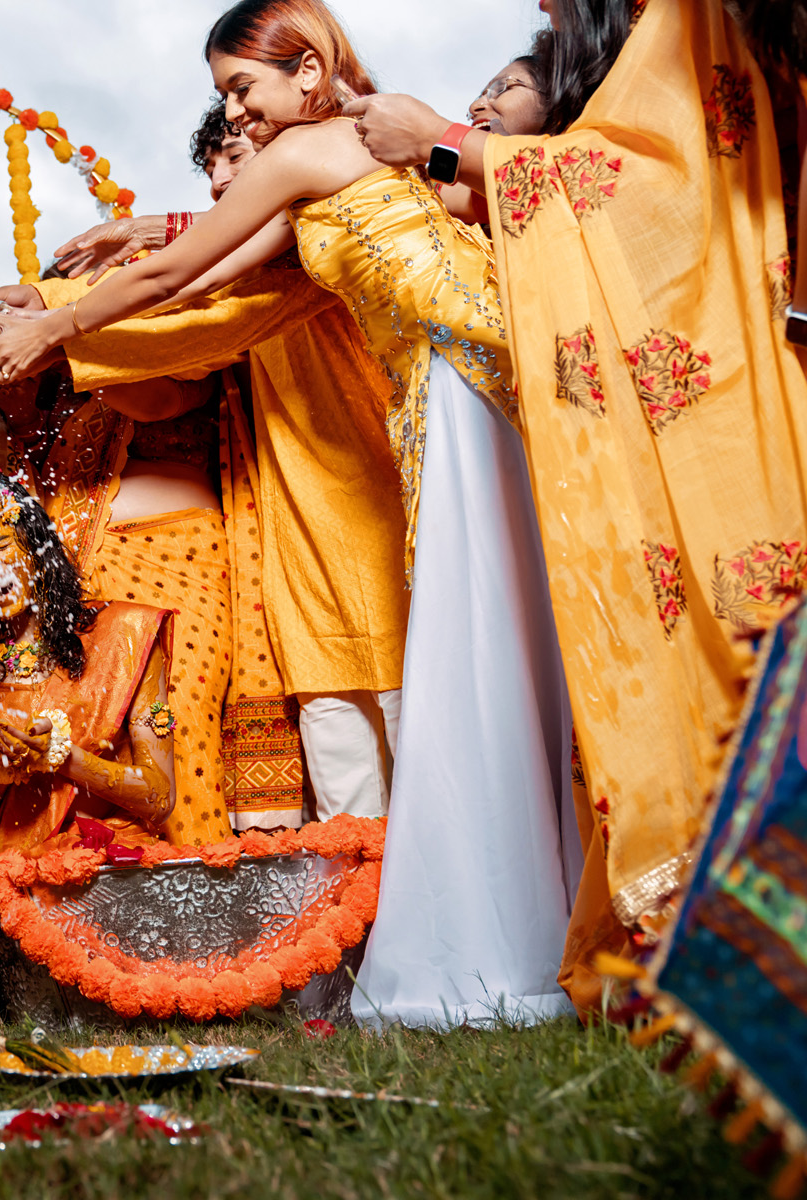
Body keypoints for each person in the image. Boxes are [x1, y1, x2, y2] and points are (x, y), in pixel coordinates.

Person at [0, 0, 577, 1028]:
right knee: (503, 650)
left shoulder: (314, 143)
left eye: (242, 88)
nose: (238, 112)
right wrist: (71, 307)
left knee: (484, 643)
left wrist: (55, 330)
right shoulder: (367, 134)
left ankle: (508, 936)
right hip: (466, 383)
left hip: (463, 381)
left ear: (305, 70)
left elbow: (183, 271)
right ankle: (531, 929)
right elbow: (212, 275)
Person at [345, 0, 807, 1009]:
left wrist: (441, 144)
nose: (543, 5)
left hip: (724, 404)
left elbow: (643, 188)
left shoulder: (694, 19)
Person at [0, 103, 410, 828]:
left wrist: (61, 328)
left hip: (363, 514)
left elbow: (188, 302)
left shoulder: (328, 226)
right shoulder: (232, 258)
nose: (224, 191)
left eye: (240, 165)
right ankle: (360, 931)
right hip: (278, 538)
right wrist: (43, 300)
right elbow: (171, 283)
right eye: (213, 179)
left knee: (427, 742)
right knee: (339, 777)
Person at [0, 480, 177, 855]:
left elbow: (159, 797)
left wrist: (61, 755)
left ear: (37, 549)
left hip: (105, 867)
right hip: (8, 875)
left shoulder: (124, 632)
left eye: (2, 546)